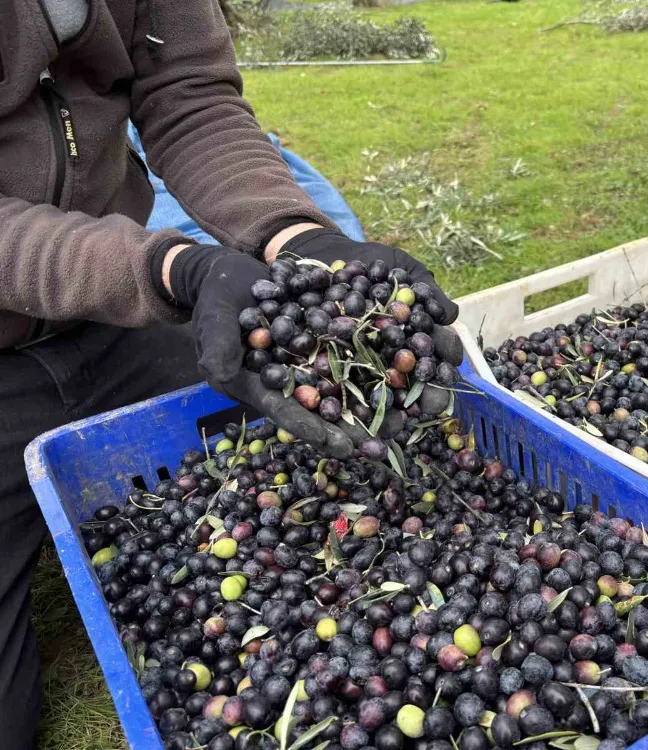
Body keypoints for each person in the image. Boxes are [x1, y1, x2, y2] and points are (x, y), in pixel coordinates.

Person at [0, 0, 460, 745]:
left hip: (111, 317)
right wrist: (166, 266)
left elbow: (188, 94)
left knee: (280, 472)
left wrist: (290, 233)